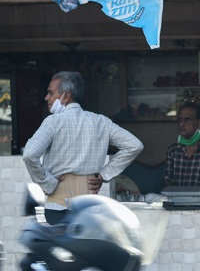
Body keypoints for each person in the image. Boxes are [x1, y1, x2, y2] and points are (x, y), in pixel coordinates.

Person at [23, 71, 143, 207]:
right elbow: (134, 145)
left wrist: (47, 183)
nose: (46, 98)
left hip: (58, 206)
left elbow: (29, 154)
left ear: (66, 96)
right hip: (89, 209)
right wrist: (104, 174)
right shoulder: (101, 122)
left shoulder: (52, 122)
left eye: (50, 93)